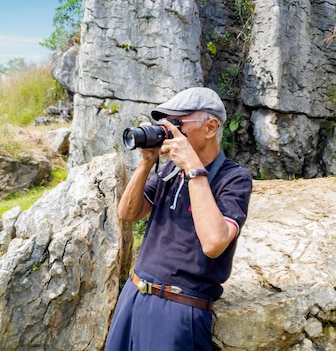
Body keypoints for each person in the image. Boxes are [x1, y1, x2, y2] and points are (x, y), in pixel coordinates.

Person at [105, 87, 253, 351]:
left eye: (178, 123)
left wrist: (194, 169)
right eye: (166, 123)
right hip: (135, 294)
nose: (169, 130)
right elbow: (127, 213)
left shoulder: (234, 179)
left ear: (210, 127)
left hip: (179, 308)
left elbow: (214, 242)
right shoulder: (171, 169)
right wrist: (147, 162)